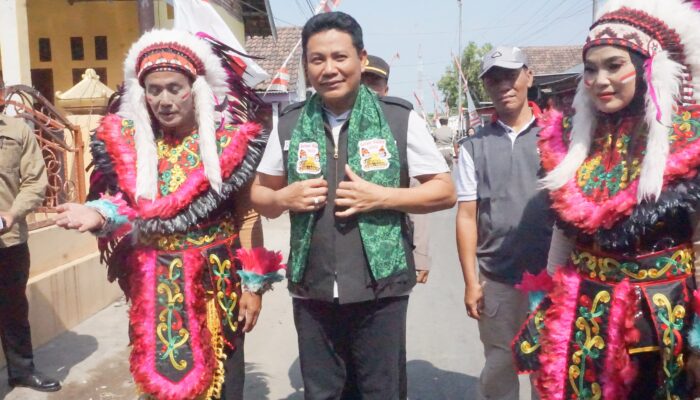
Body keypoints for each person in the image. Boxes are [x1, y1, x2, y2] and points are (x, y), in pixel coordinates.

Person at [54, 29, 283, 400]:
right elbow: (125, 204)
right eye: (154, 89)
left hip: (216, 288)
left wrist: (254, 286)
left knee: (224, 386)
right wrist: (96, 214)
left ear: (197, 90)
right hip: (155, 288)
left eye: (174, 87)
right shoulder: (131, 147)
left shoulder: (231, 144)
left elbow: (248, 219)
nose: (164, 99)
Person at [251, 12, 455, 399]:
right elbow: (260, 193)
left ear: (361, 59)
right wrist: (282, 198)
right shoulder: (291, 124)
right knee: (323, 392)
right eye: (317, 59)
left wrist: (383, 197)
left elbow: (443, 191)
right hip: (312, 289)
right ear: (307, 66)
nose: (329, 69)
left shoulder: (398, 119)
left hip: (381, 290)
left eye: (339, 57)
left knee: (381, 391)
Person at [511, 0, 700, 398]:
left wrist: (699, 340)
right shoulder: (568, 140)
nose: (600, 80)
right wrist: (544, 307)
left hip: (664, 320)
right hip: (582, 316)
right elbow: (565, 235)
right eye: (591, 69)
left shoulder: (688, 136)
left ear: (649, 66)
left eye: (614, 65)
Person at [454, 46, 553, 400]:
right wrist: (470, 282)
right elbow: (466, 216)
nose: (503, 85)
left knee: (549, 366)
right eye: (493, 79)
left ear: (529, 75)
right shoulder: (473, 147)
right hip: (496, 279)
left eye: (510, 75)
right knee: (499, 365)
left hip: (552, 280)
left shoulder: (558, 136)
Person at [0, 110, 60, 392]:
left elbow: (35, 180)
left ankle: (22, 370)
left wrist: (12, 214)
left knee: (13, 308)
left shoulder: (16, 130)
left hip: (8, 239)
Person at [361, 54, 431, 284]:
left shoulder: (400, 128)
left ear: (386, 89)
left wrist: (420, 255)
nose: (368, 89)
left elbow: (418, 197)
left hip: (390, 251)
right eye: (362, 81)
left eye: (374, 82)